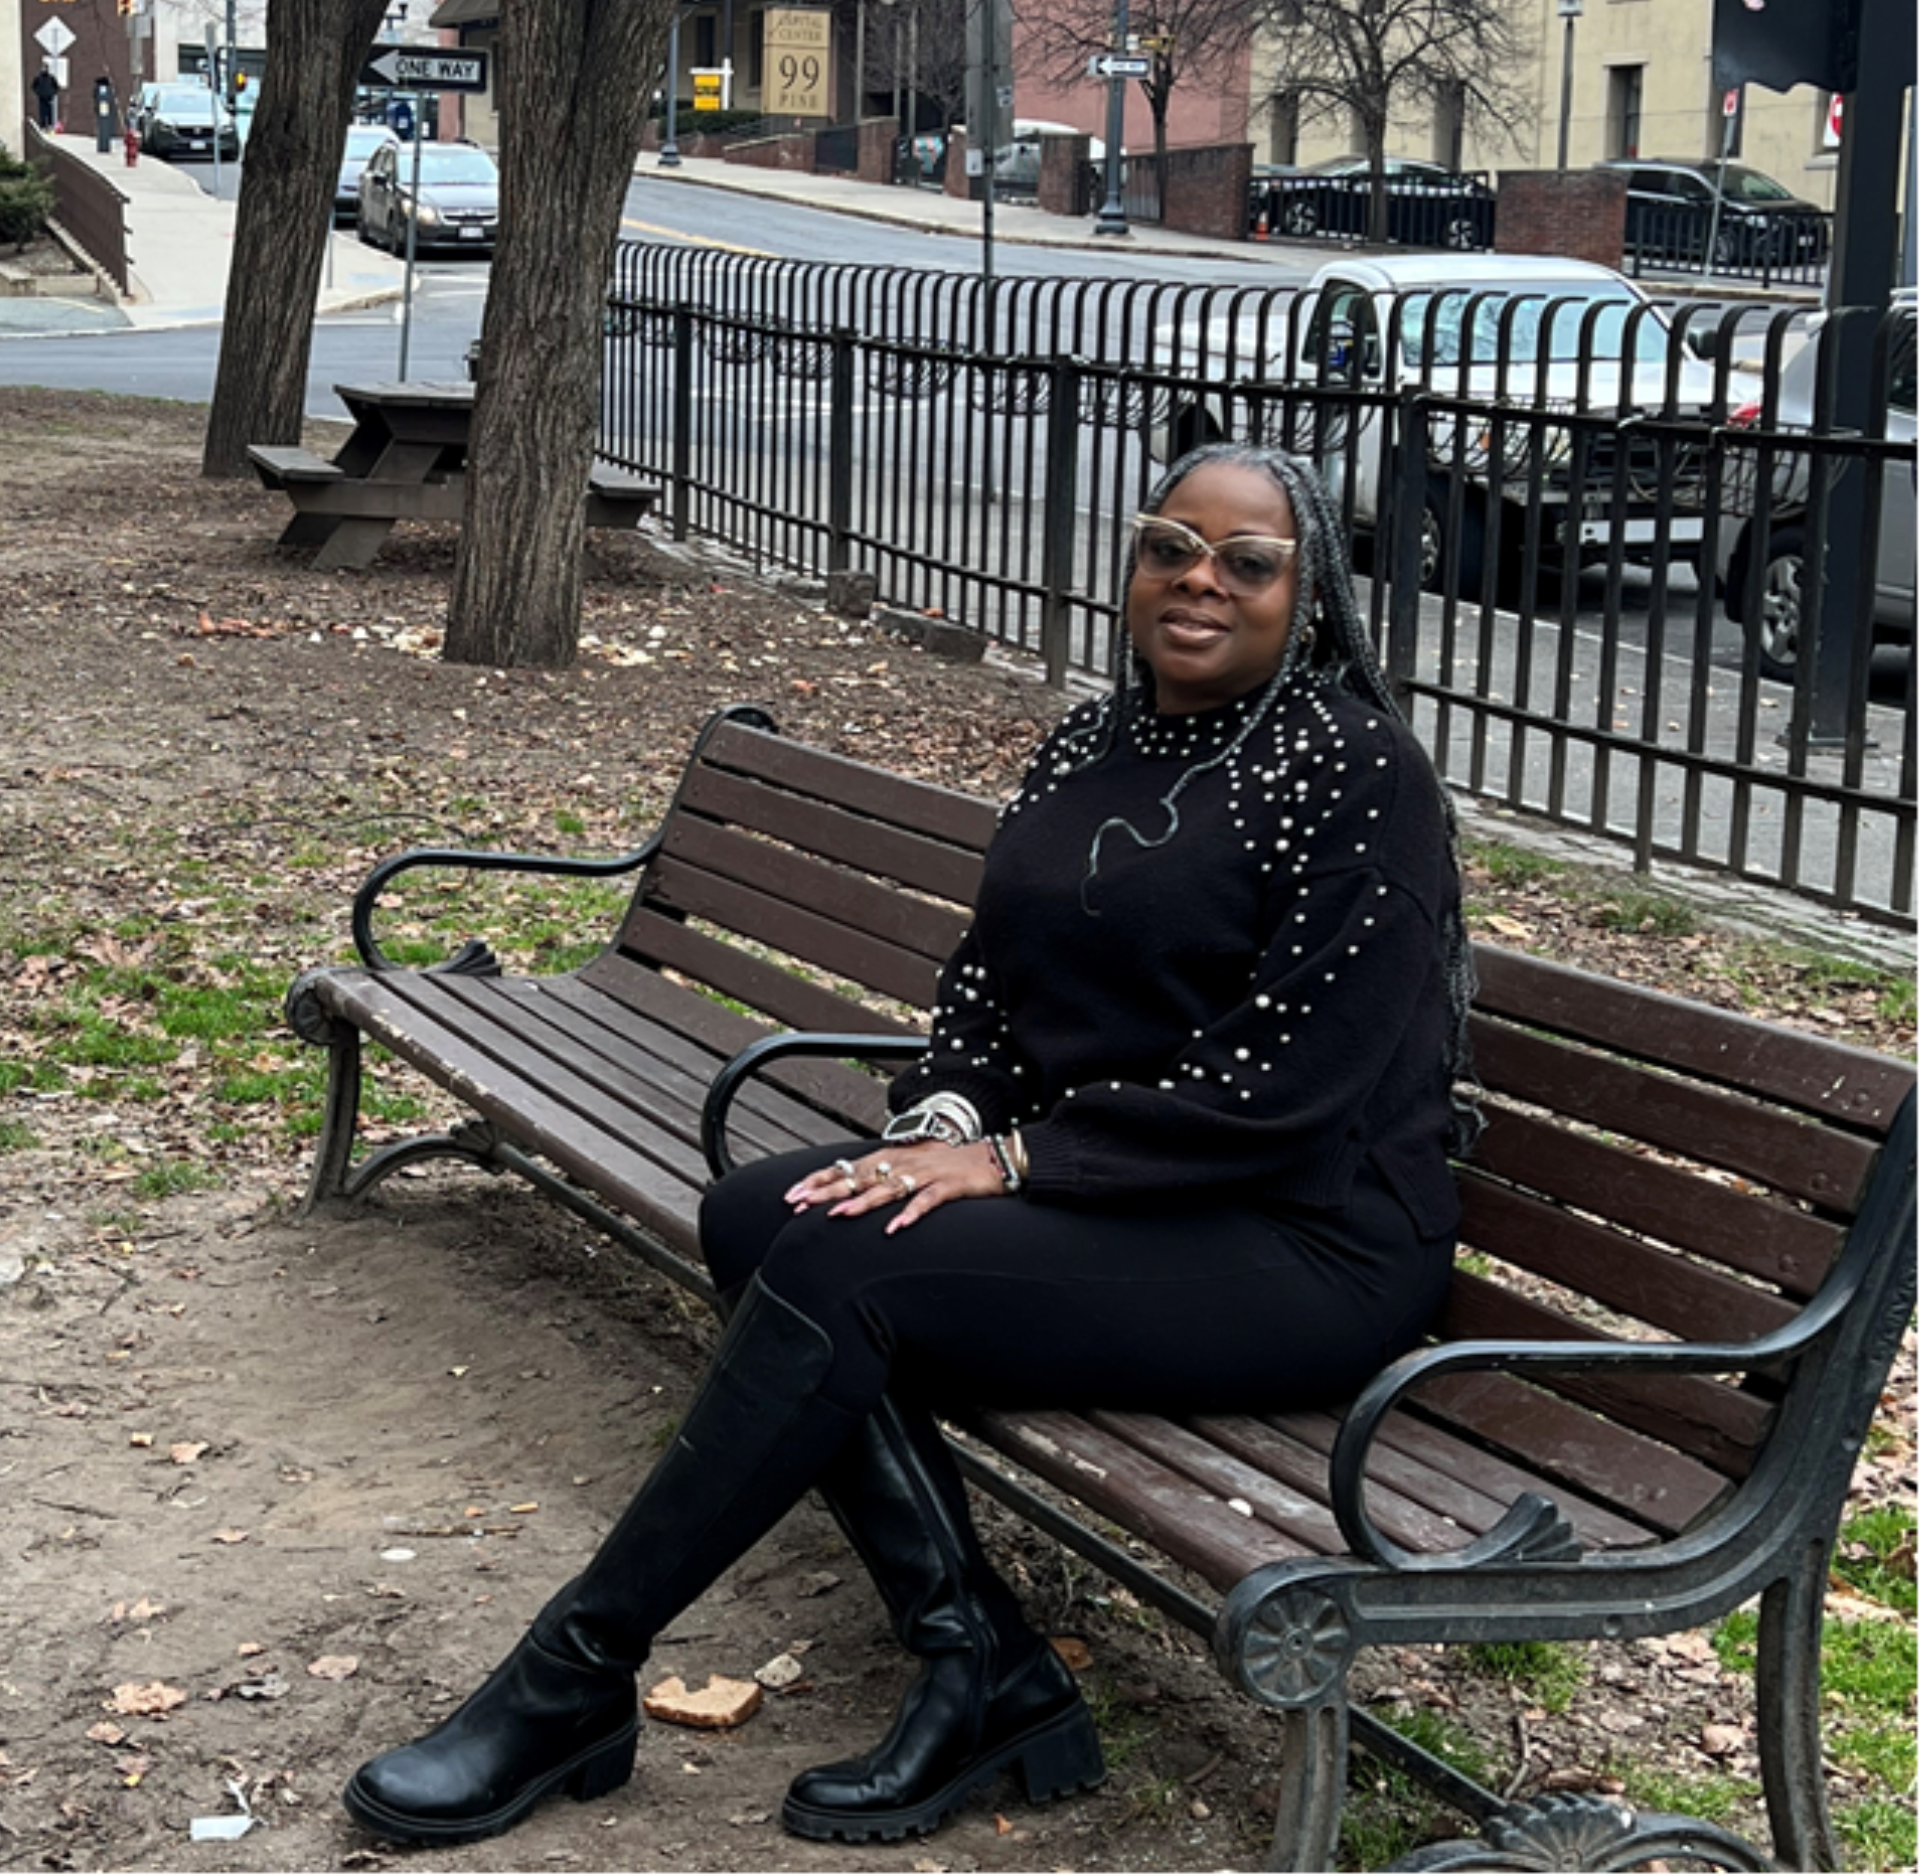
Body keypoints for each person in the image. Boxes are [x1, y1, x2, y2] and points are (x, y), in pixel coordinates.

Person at [341, 443, 1479, 1849]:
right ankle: (981, 1661)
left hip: (1299, 1234)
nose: (1200, 580)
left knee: (842, 1273)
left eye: (1249, 562)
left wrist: (1013, 1163)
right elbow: (992, 987)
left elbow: (1290, 1083)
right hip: (1130, 1198)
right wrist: (943, 1119)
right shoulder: (1092, 741)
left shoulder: (1356, 769)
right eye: (1170, 546)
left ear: (1309, 595)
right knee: (763, 1216)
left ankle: (573, 1671)